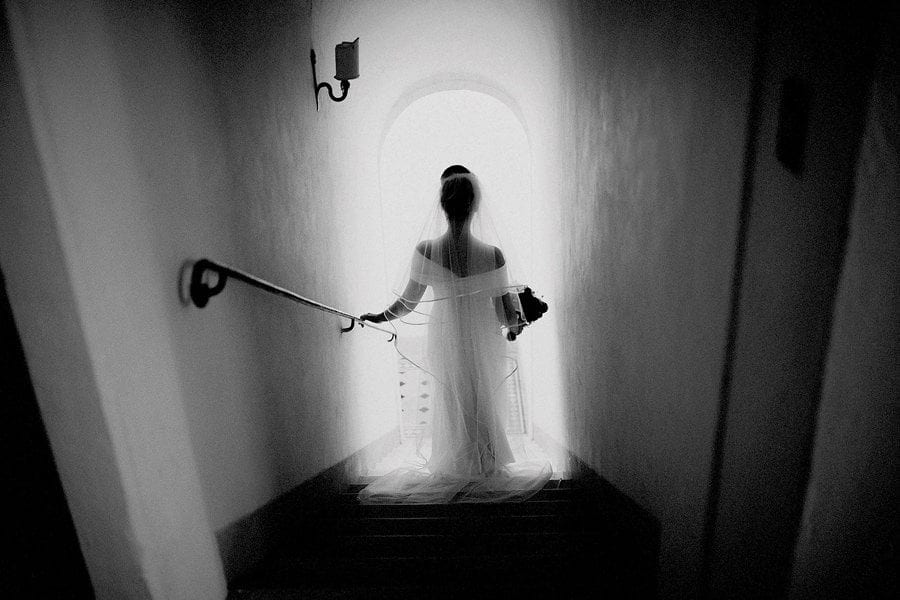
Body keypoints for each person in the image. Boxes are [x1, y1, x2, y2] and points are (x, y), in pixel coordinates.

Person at [358, 165, 550, 503]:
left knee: (451, 393)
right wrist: (520, 322)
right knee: (483, 392)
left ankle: (454, 462)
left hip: (445, 333)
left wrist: (379, 316)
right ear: (476, 206)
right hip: (481, 333)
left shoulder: (426, 250)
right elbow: (506, 314)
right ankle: (487, 463)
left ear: (443, 206)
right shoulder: (493, 255)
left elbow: (406, 303)